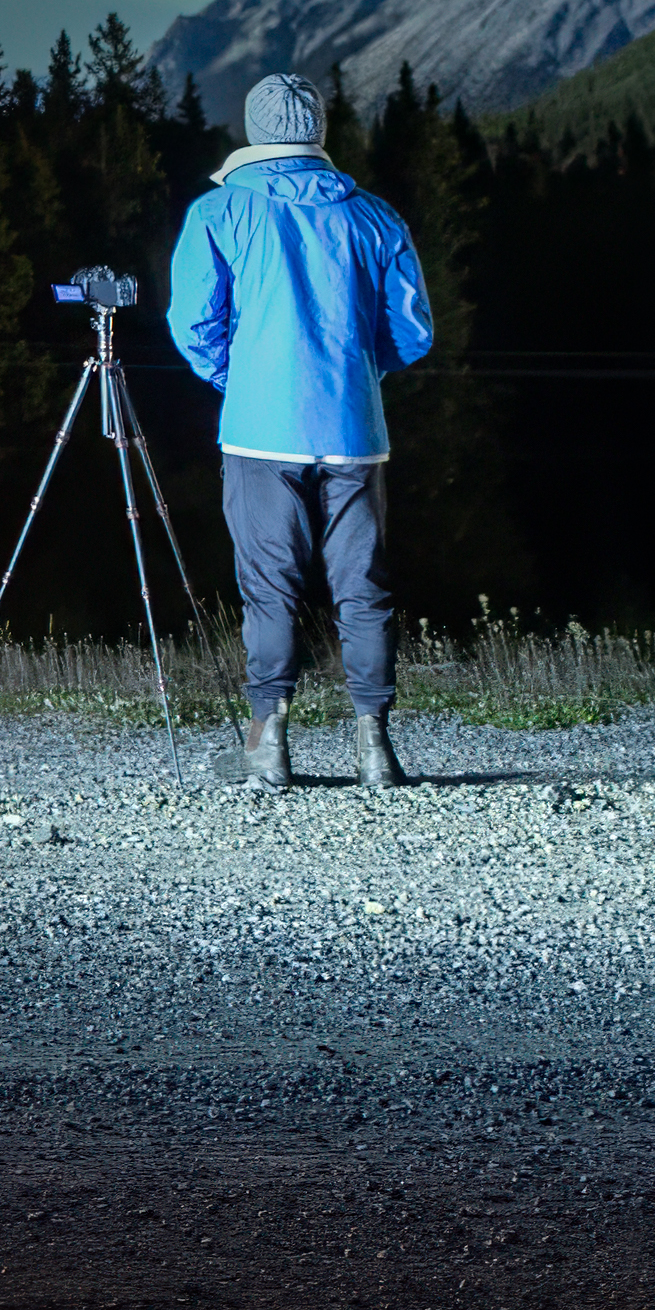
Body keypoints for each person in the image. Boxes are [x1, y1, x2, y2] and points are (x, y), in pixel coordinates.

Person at [168, 70, 437, 789]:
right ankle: (375, 745)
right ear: (319, 129)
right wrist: (353, 371)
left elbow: (193, 326)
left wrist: (245, 376)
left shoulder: (218, 211)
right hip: (354, 427)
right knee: (364, 586)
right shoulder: (376, 215)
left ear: (256, 132)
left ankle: (268, 745)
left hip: (260, 429)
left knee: (269, 587)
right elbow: (413, 332)